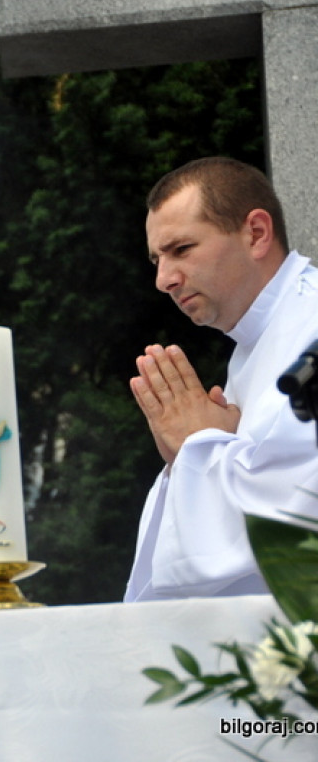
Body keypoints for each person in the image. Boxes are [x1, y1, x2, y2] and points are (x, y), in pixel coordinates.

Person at [125, 156, 318, 602]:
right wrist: (186, 456)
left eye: (181, 249)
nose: (163, 279)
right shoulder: (253, 348)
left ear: (256, 233)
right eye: (157, 258)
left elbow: (299, 506)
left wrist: (198, 446)